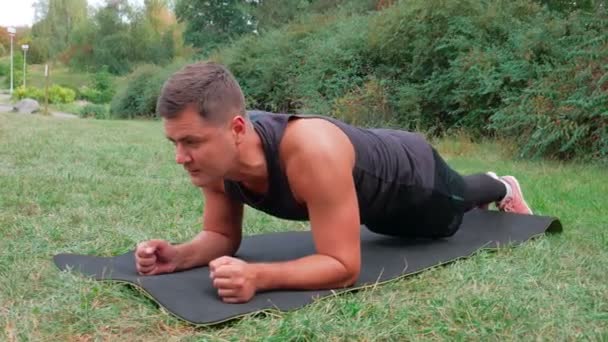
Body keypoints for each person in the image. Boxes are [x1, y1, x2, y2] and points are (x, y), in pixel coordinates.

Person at [135, 61, 533, 304]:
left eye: (191, 142)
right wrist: (181, 256)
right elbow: (221, 235)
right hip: (371, 200)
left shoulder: (310, 151)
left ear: (236, 128)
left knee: (454, 208)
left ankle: (501, 186)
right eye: (175, 142)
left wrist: (259, 276)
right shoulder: (217, 160)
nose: (180, 157)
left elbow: (344, 267)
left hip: (414, 176)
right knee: (385, 230)